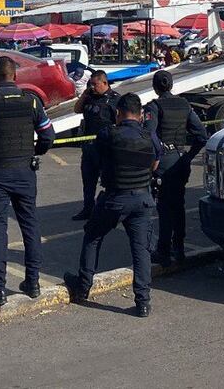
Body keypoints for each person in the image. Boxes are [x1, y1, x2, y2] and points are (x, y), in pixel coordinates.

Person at [0, 56, 55, 306]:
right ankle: (33, 282)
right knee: (30, 226)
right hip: (25, 172)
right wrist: (37, 153)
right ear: (15, 76)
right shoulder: (31, 101)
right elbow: (48, 135)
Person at [65, 93, 161, 318]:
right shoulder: (149, 135)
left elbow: (96, 158)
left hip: (115, 198)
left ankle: (83, 287)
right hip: (141, 199)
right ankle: (143, 302)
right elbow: (155, 162)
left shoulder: (108, 133)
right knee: (141, 251)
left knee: (93, 236)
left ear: (118, 113)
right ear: (140, 115)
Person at [143, 70, 208, 267]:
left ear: (155, 87)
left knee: (164, 207)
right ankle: (178, 248)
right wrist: (188, 156)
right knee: (178, 206)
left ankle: (163, 251)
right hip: (181, 158)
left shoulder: (154, 107)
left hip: (165, 160)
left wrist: (155, 157)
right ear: (171, 85)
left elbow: (148, 133)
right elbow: (201, 135)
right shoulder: (185, 105)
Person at [72, 71, 119, 221]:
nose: (92, 87)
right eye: (90, 84)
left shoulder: (115, 99)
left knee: (109, 181)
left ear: (104, 83)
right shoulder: (89, 97)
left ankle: (112, 210)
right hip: (89, 148)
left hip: (105, 149)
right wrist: (85, 94)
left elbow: (119, 122)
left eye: (95, 84)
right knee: (88, 181)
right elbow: (77, 109)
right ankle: (88, 209)